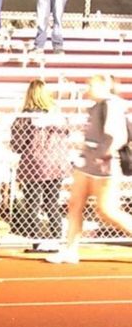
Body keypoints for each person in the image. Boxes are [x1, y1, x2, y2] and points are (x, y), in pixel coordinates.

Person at [47, 75, 132, 264]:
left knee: (108, 210)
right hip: (87, 164)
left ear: (103, 85)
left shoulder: (111, 105)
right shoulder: (96, 106)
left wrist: (103, 154)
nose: (88, 88)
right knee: (75, 204)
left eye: (91, 85)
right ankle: (70, 250)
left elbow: (117, 136)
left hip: (104, 166)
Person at [10, 79, 70, 253]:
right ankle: (57, 240)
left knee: (33, 205)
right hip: (56, 164)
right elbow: (66, 135)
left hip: (34, 164)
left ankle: (36, 242)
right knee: (52, 202)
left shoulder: (26, 116)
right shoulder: (58, 116)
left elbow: (18, 144)